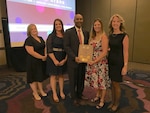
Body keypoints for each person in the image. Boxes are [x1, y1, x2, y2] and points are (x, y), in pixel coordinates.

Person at [84, 18, 110, 109]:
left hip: (101, 63)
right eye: (95, 25)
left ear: (101, 26)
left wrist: (94, 61)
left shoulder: (104, 36)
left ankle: (102, 100)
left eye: (98, 24)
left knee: (102, 82)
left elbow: (104, 52)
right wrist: (85, 58)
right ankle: (97, 96)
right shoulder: (92, 37)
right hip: (92, 62)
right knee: (97, 81)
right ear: (93, 26)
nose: (97, 26)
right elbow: (88, 50)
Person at [64, 14, 89, 105]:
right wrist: (74, 57)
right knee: (73, 80)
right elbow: (66, 46)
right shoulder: (68, 32)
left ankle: (80, 94)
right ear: (74, 20)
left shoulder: (86, 32)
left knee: (81, 79)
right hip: (73, 61)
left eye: (81, 19)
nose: (79, 20)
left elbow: (87, 46)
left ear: (83, 20)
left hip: (83, 61)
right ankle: (74, 97)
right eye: (77, 19)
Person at [107, 14, 129, 112]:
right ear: (111, 23)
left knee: (116, 84)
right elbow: (108, 48)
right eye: (113, 21)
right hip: (110, 61)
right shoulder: (110, 35)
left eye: (117, 21)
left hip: (119, 63)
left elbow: (125, 51)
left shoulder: (124, 36)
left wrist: (125, 66)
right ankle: (112, 101)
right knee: (112, 83)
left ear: (120, 23)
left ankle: (116, 103)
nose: (115, 23)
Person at [46, 19, 67, 103]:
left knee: (61, 75)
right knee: (53, 76)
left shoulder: (65, 35)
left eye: (59, 24)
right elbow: (49, 49)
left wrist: (65, 60)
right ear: (54, 26)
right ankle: (54, 93)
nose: (58, 26)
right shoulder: (51, 36)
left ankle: (61, 91)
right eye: (56, 24)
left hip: (63, 57)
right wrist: (54, 60)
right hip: (52, 58)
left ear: (62, 25)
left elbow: (68, 48)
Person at [24, 24, 47, 101]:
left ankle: (40, 90)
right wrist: (42, 57)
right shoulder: (29, 40)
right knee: (33, 78)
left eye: (35, 28)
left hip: (40, 61)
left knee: (40, 77)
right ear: (29, 31)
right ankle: (35, 93)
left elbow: (44, 47)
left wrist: (45, 55)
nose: (34, 30)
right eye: (32, 29)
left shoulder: (40, 38)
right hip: (32, 62)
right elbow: (31, 52)